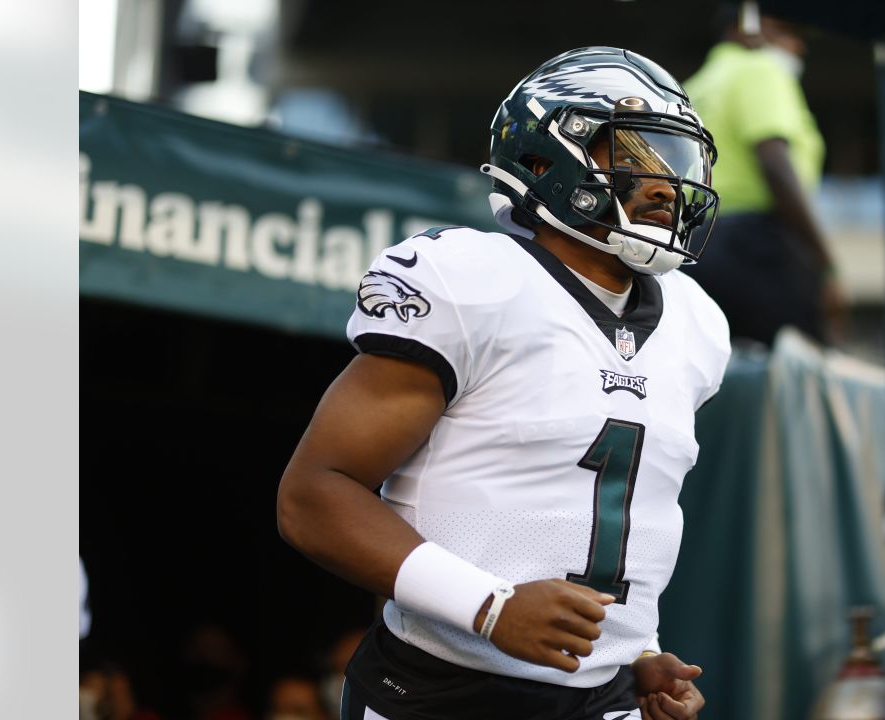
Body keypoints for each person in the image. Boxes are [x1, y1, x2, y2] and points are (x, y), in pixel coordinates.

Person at [277, 46, 730, 720]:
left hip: (603, 703)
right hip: (441, 692)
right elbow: (314, 495)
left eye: (674, 163)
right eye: (633, 158)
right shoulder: (471, 280)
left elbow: (616, 517)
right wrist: (489, 607)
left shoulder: (698, 321)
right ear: (545, 159)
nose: (665, 185)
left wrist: (635, 653)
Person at [681, 1, 845, 347]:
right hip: (756, 248)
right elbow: (773, 161)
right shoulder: (760, 69)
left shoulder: (691, 89)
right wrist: (824, 262)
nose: (797, 46)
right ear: (747, 26)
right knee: (791, 379)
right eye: (786, 31)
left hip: (694, 247)